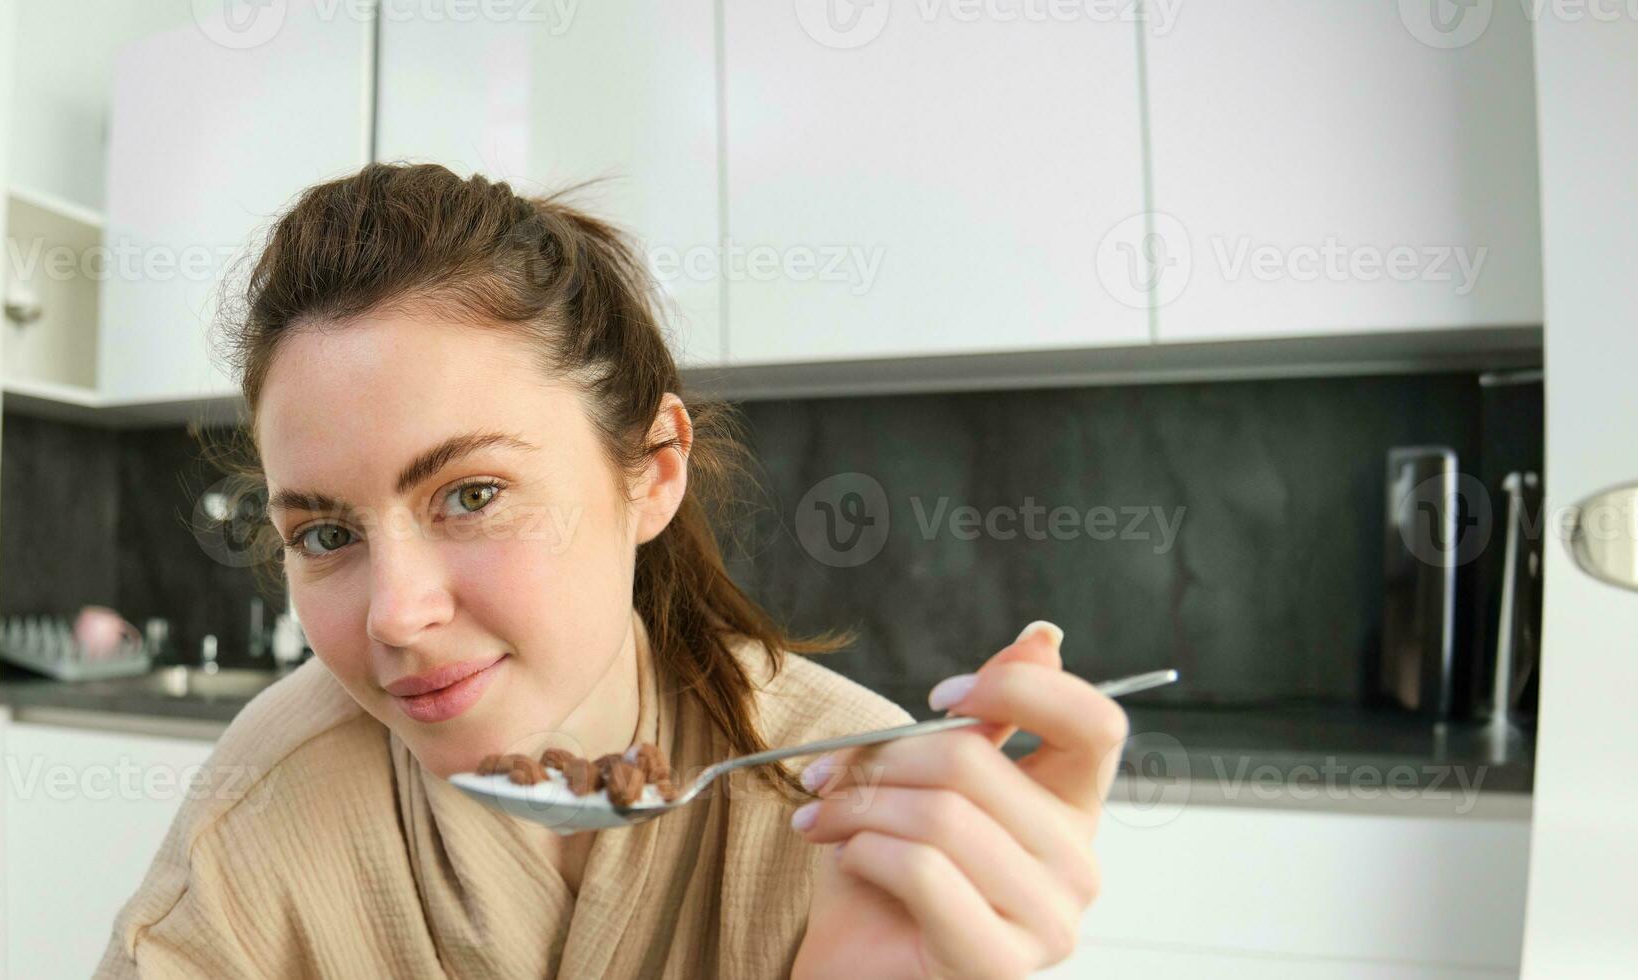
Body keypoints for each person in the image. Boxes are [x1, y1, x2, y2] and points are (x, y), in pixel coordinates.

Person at [97, 163, 1131, 978]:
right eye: (324, 533)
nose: (398, 616)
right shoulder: (268, 800)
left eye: (470, 493)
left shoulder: (840, 801)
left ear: (651, 472)